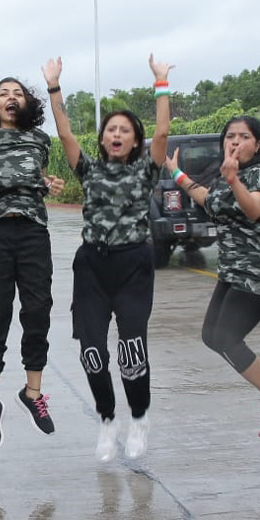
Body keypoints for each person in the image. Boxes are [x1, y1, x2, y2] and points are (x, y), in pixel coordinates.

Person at [46, 54, 170, 461]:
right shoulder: (89, 170)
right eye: (111, 130)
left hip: (133, 266)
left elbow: (164, 130)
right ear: (102, 138)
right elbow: (64, 132)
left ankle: (139, 418)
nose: (117, 134)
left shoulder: (146, 171)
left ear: (136, 140)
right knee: (93, 351)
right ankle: (106, 419)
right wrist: (54, 87)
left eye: (125, 130)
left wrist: (160, 83)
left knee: (132, 350)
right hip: (92, 268)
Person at [166, 115, 260, 441]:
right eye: (230, 136)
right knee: (211, 336)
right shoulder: (226, 179)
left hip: (259, 274)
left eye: (243, 136)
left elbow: (254, 208)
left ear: (257, 144)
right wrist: (177, 173)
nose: (235, 141)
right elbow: (207, 199)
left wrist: (235, 179)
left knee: (226, 337)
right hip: (231, 272)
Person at [0, 70, 64, 452]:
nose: (10, 97)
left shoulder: (39, 139)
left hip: (33, 232)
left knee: (38, 310)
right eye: (3, 93)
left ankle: (32, 392)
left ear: (26, 103)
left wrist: (48, 184)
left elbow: (38, 179)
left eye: (17, 93)